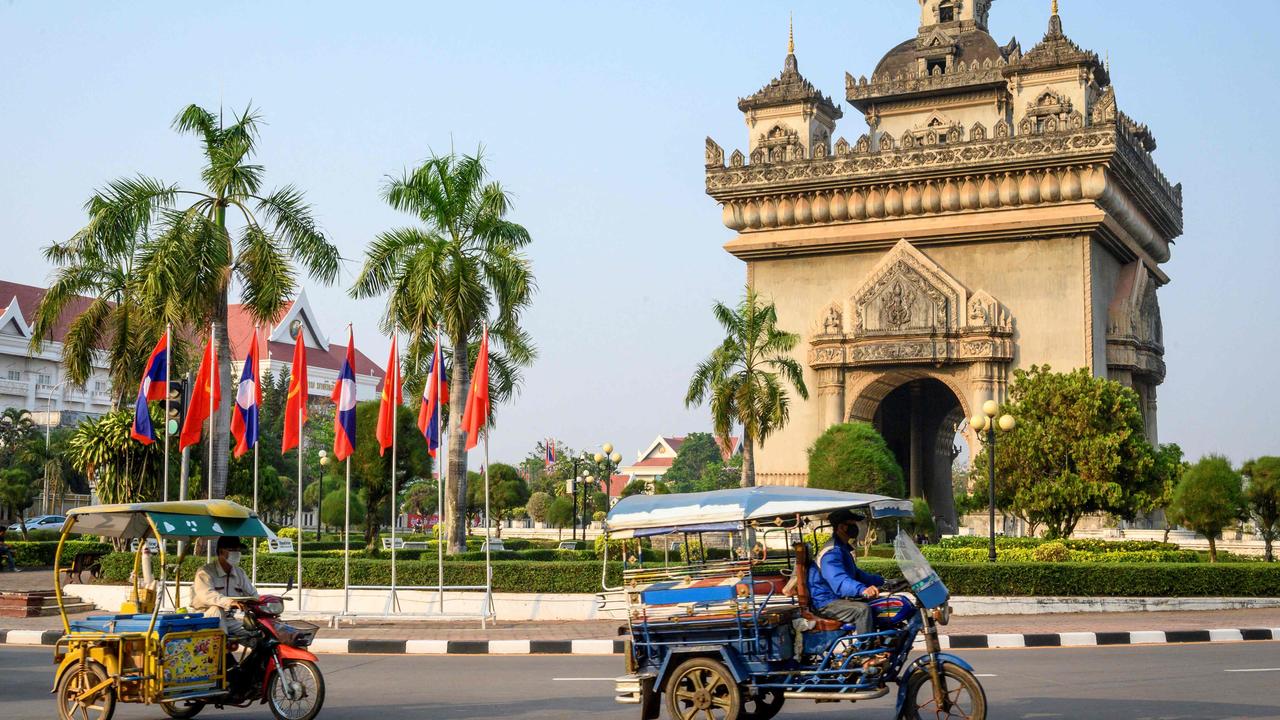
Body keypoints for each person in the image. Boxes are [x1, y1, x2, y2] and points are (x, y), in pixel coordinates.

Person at [807, 509, 884, 636]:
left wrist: (882, 581)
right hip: (826, 603)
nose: (855, 528)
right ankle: (865, 652)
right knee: (862, 610)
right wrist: (862, 590)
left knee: (881, 604)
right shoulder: (832, 552)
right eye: (852, 524)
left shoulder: (842, 548)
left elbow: (857, 574)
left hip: (835, 599)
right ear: (842, 527)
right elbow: (838, 580)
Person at [191, 536, 258, 640]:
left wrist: (260, 602)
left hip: (229, 619)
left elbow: (253, 594)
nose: (237, 553)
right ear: (221, 552)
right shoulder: (205, 572)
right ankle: (223, 649)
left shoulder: (239, 573)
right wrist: (229, 602)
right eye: (232, 550)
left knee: (255, 635)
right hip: (205, 616)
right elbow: (207, 595)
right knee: (217, 609)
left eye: (238, 550)